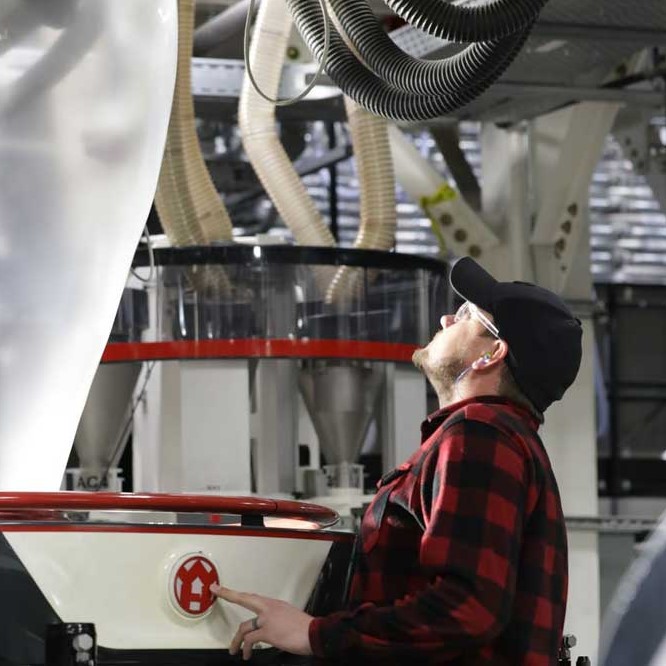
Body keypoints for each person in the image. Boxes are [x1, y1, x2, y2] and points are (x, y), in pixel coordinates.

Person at [211, 256, 583, 664]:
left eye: (465, 315)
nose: (444, 319)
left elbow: (469, 609)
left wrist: (315, 634)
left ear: (491, 354)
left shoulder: (480, 433)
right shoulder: (506, 440)